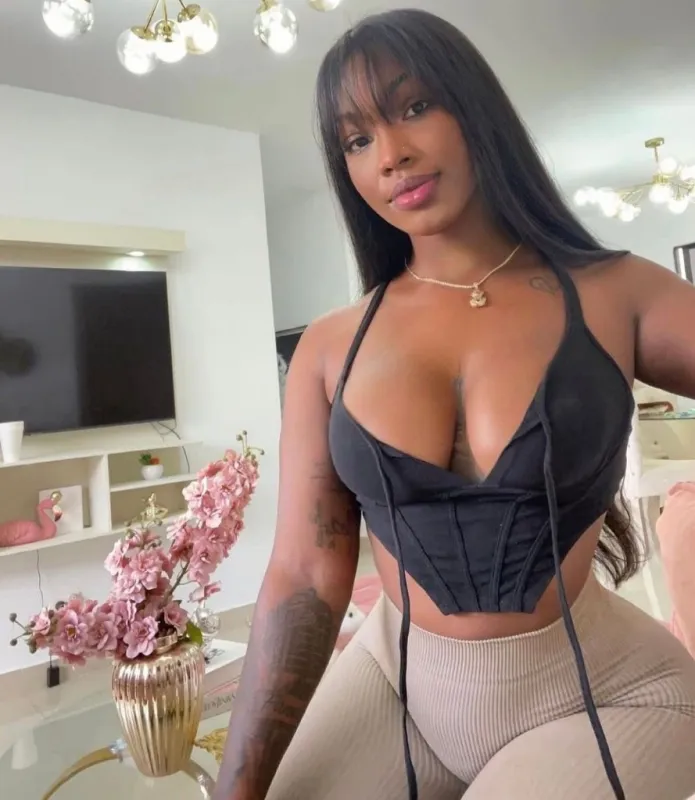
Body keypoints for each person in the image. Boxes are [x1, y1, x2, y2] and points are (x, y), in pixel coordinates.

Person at [213, 9, 695, 800]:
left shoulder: (617, 291)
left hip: (610, 697)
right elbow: (303, 572)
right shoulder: (329, 347)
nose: (390, 155)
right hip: (395, 683)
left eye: (413, 107)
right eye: (356, 140)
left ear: (474, 109)